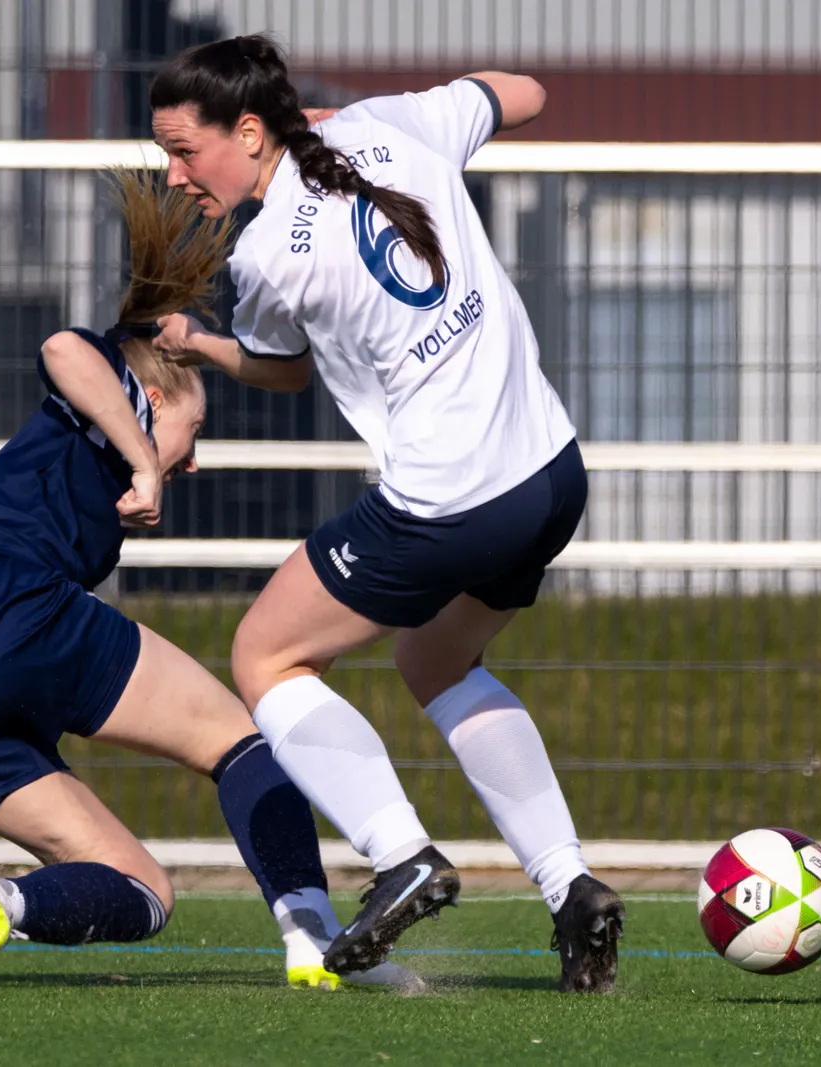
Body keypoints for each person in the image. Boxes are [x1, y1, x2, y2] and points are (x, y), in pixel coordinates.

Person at [147, 36, 626, 992]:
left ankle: (400, 856)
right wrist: (362, 117)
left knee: (265, 656)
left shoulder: (265, 255)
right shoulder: (395, 124)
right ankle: (572, 887)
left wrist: (199, 343)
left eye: (184, 150)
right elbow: (527, 91)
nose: (173, 175)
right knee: (435, 659)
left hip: (451, 499)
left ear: (251, 132)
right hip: (549, 472)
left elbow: (283, 371)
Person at [0, 169, 421, 994]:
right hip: (8, 603)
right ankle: (314, 937)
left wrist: (140, 463)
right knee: (243, 740)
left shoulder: (71, 446)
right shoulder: (119, 393)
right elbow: (63, 351)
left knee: (142, 889)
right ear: (155, 396)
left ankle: (7, 898)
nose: (191, 461)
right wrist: (142, 457)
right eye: (192, 430)